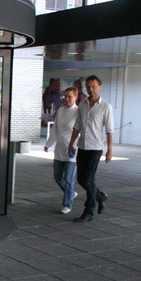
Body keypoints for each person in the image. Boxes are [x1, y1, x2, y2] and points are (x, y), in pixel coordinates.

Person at [68, 75, 113, 222]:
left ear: (100, 87)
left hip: (95, 147)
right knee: (82, 179)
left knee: (89, 179)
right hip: (82, 146)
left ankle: (89, 211)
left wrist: (110, 150)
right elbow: (77, 125)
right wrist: (71, 143)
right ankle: (100, 195)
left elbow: (109, 129)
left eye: (93, 86)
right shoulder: (82, 104)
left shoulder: (105, 107)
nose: (90, 89)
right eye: (88, 86)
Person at [44, 87, 78, 214]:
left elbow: (80, 131)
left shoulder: (78, 112)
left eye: (70, 97)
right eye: (65, 96)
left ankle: (67, 204)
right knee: (58, 177)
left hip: (72, 150)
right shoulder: (61, 110)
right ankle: (71, 193)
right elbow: (55, 129)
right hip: (59, 148)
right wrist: (48, 144)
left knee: (69, 179)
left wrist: (75, 145)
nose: (67, 99)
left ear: (76, 97)